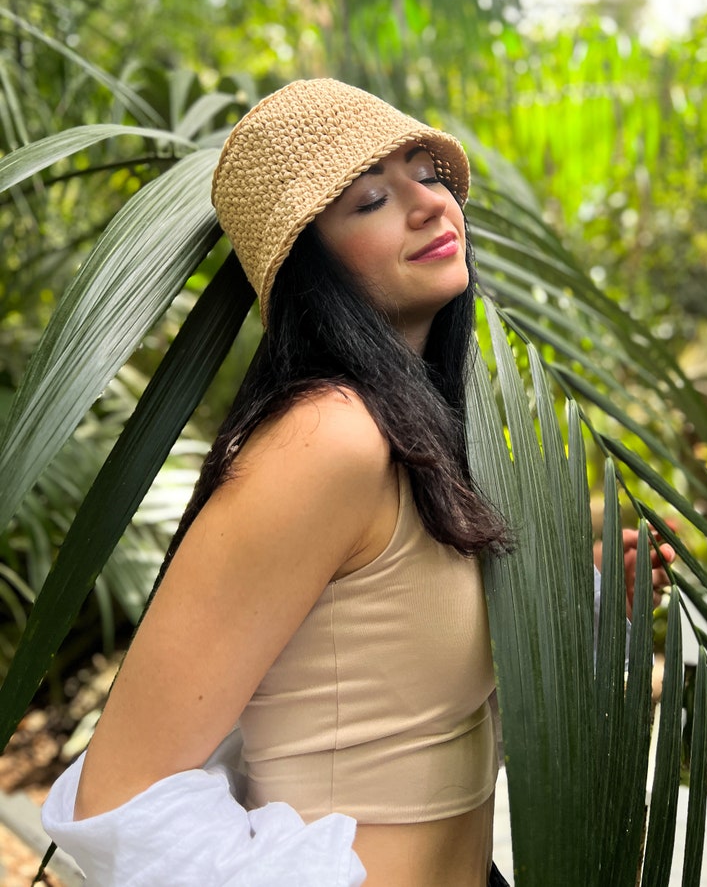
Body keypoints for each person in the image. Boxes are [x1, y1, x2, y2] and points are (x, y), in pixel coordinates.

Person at [42, 78, 674, 886]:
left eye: (429, 173)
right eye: (372, 197)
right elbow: (118, 799)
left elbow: (390, 682)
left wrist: (587, 595)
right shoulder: (328, 438)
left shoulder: (427, 433)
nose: (428, 204)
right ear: (313, 265)